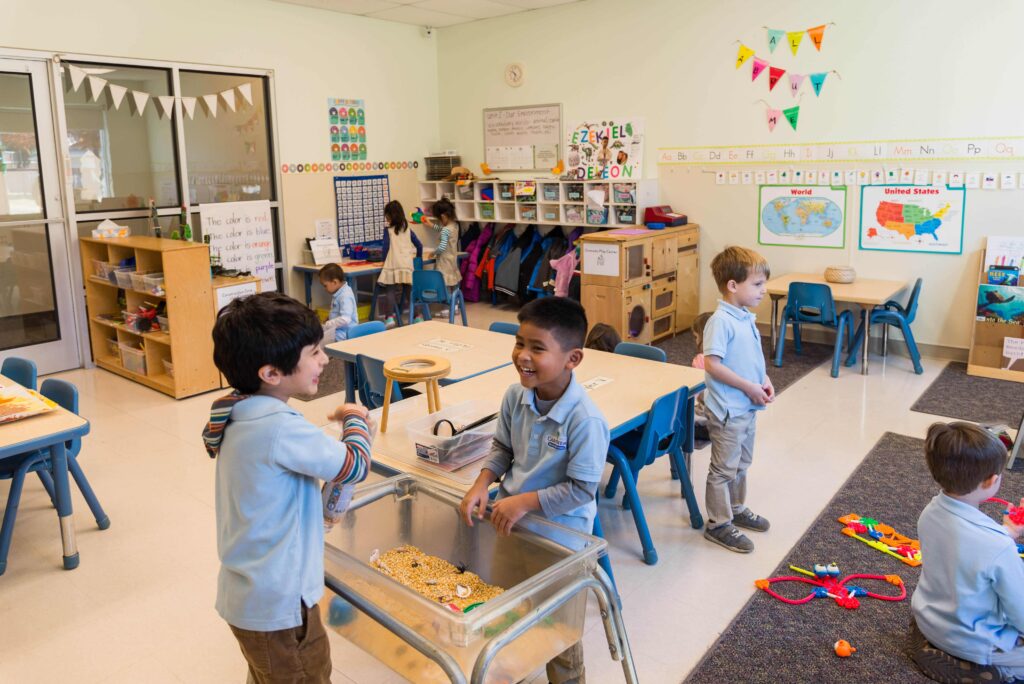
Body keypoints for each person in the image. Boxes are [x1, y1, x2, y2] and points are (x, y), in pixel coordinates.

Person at [204, 292, 374, 683]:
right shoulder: (279, 427)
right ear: (271, 374)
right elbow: (355, 465)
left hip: (248, 594)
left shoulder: (234, 410)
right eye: (314, 353)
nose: (325, 360)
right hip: (282, 605)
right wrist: (355, 417)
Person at [459, 297, 608, 684]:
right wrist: (481, 483)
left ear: (572, 358)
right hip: (513, 526)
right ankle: (517, 666)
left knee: (560, 627)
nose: (523, 355)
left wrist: (524, 501)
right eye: (519, 343)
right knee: (512, 604)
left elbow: (582, 489)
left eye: (537, 348)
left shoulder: (586, 419)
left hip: (562, 542)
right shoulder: (515, 396)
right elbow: (504, 449)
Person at [911, 422, 1024, 682]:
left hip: (929, 618)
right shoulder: (998, 547)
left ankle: (932, 643)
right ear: (992, 481)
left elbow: (968, 554)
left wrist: (1008, 532)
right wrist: (1005, 539)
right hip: (975, 639)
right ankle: (996, 670)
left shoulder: (930, 512)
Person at [702, 246, 774, 553]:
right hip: (729, 411)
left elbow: (752, 358)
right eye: (757, 284)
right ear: (733, 285)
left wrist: (764, 380)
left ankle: (737, 507)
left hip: (747, 406)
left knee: (742, 462)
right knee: (723, 469)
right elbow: (712, 364)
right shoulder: (720, 321)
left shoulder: (744, 317)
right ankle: (718, 523)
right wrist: (748, 387)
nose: (764, 290)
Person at [378, 199, 423, 328]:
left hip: (393, 264)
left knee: (390, 291)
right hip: (407, 264)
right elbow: (419, 245)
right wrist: (418, 259)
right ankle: (417, 317)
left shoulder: (388, 231)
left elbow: (385, 248)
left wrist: (383, 261)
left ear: (390, 216)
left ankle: (389, 318)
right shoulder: (408, 229)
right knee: (409, 291)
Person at [424, 197, 462, 290]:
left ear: (443, 216)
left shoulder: (446, 230)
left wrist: (433, 253)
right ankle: (455, 301)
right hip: (452, 260)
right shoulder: (455, 226)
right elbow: (443, 231)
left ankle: (447, 300)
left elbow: (441, 247)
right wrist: (431, 225)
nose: (440, 222)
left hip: (444, 262)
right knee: (452, 282)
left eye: (439, 220)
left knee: (444, 283)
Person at [318, 263, 357, 342]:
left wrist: (328, 324)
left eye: (325, 285)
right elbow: (337, 311)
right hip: (339, 330)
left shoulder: (345, 296)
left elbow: (346, 319)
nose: (324, 289)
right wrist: (329, 318)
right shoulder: (339, 292)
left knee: (319, 341)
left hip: (346, 333)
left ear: (335, 282)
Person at [690, 311, 713, 441]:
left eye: (696, 337)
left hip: (707, 418)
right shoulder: (732, 357)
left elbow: (694, 392)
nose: (696, 341)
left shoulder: (700, 360)